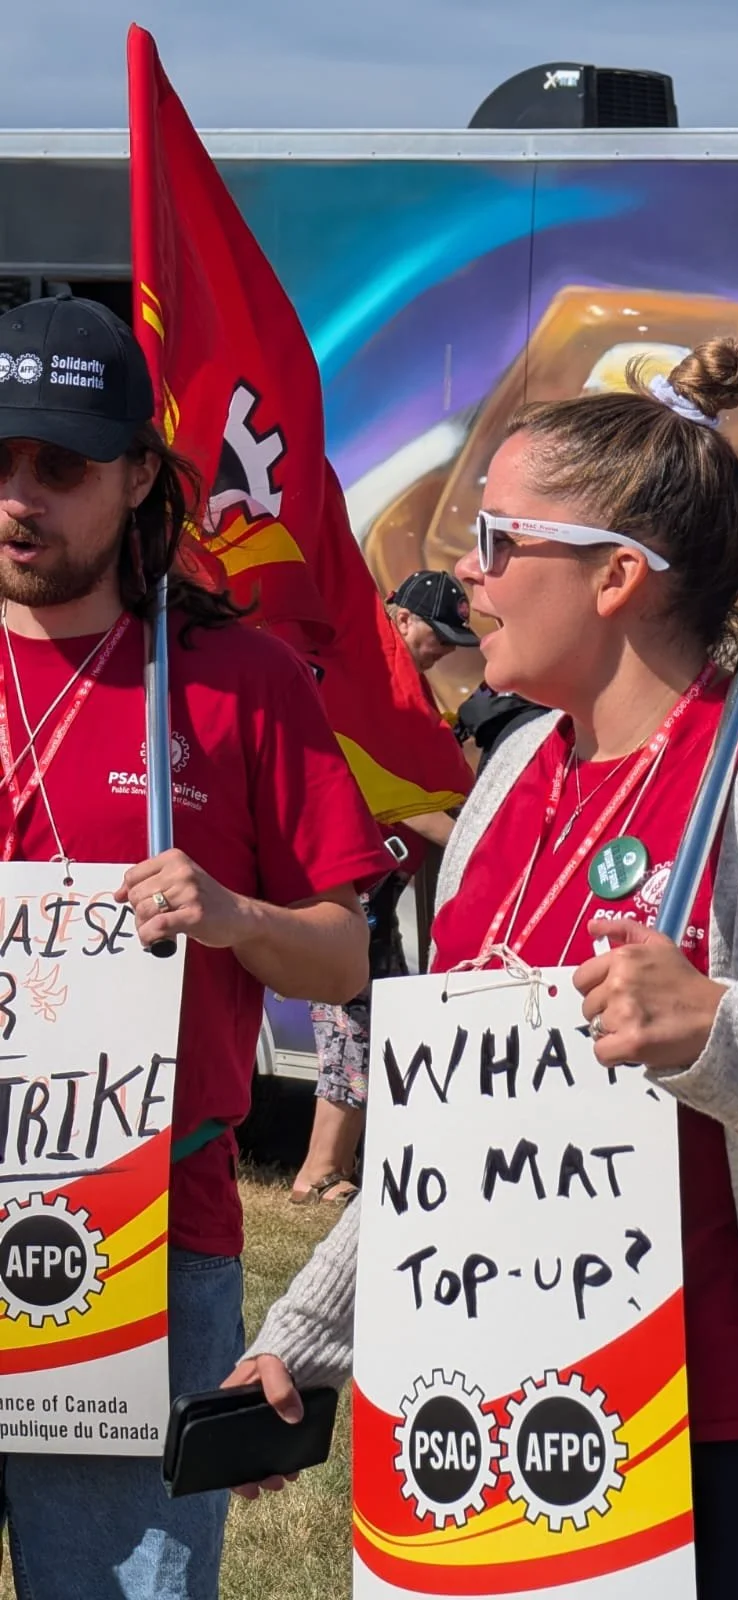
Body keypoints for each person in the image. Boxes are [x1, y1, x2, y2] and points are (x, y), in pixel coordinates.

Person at [231, 339, 738, 1599]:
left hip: (731, 1457)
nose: (462, 578)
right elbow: (458, 1141)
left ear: (614, 577)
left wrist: (720, 1034)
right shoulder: (500, 797)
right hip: (495, 1438)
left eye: (496, 540)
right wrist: (308, 1339)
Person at [0, 291, 391, 1599]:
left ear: (136, 480)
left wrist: (235, 917)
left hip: (145, 1241)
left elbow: (345, 957)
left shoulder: (235, 676)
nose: (19, 495)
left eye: (58, 466)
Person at [290, 569, 478, 1204]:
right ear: (399, 620)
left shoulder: (410, 700)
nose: (445, 650)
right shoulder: (365, 693)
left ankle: (344, 1166)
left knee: (383, 1022)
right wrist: (472, 838)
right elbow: (396, 801)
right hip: (347, 891)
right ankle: (319, 1172)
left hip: (384, 894)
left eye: (456, 639)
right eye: (438, 635)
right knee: (352, 1024)